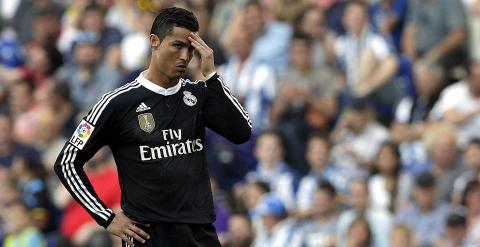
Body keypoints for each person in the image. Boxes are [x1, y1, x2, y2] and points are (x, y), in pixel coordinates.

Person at [54, 7, 252, 247]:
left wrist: (211, 76)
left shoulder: (197, 94)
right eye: (177, 45)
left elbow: (242, 132)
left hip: (200, 234)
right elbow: (66, 162)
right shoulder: (117, 103)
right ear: (154, 41)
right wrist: (106, 217)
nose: (184, 56)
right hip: (148, 237)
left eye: (191, 48)